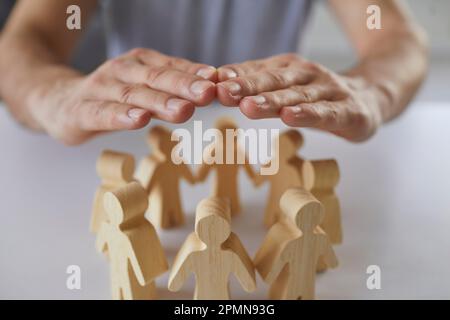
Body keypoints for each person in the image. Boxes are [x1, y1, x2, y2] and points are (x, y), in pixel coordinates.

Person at [0, 0, 428, 146]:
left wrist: (373, 91)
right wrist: (50, 95)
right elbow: (26, 39)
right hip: (129, 138)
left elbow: (395, 36)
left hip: (268, 145)